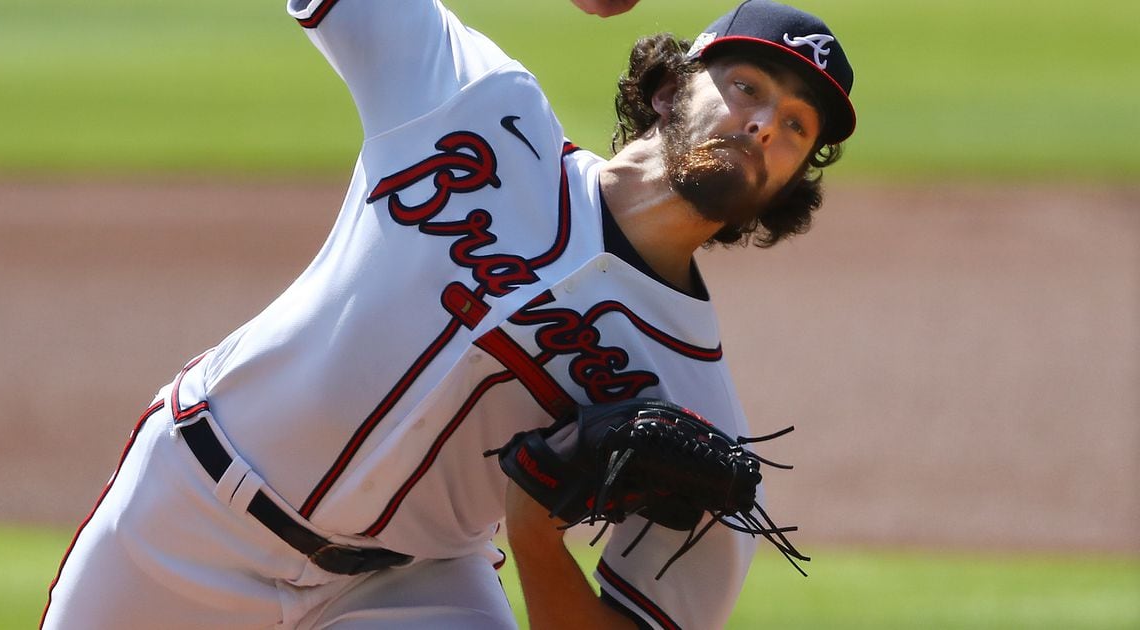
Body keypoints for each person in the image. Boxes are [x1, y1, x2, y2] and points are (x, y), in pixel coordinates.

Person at [42, 0, 855, 627]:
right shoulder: (477, 105)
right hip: (190, 513)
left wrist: (535, 535)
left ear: (792, 185)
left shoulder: (693, 403)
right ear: (673, 84)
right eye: (747, 87)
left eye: (794, 127)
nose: (760, 125)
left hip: (416, 588)